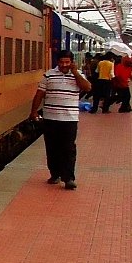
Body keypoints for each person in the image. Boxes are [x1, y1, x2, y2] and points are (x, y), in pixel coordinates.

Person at [29, 49, 92, 190]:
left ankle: (69, 178)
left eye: (67, 62)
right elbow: (39, 94)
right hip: (50, 118)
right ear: (58, 62)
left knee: (68, 149)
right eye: (62, 62)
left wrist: (75, 72)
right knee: (52, 148)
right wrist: (33, 111)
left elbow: (87, 87)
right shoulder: (49, 75)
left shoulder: (78, 76)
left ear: (71, 62)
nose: (64, 65)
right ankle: (55, 174)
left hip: (69, 119)